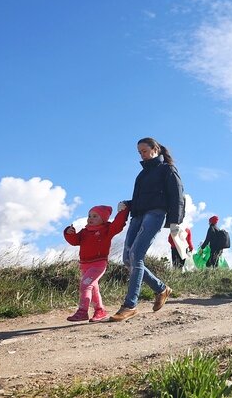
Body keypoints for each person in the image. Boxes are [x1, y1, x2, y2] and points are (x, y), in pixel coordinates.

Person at [112, 137, 184, 322]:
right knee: (128, 259)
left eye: (144, 151)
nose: (142, 155)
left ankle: (130, 305)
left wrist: (175, 221)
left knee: (136, 254)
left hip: (156, 214)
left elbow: (177, 195)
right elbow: (140, 199)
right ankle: (161, 289)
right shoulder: (141, 175)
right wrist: (127, 203)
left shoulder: (167, 169)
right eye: (139, 152)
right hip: (137, 215)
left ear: (155, 149)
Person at [63, 204, 129, 322]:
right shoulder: (84, 232)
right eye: (89, 216)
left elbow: (118, 225)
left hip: (98, 264)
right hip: (84, 264)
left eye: (95, 216)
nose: (90, 218)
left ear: (103, 219)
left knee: (85, 285)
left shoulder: (107, 229)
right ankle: (100, 311)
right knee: (93, 289)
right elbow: (74, 241)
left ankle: (82, 312)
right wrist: (69, 233)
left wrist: (123, 212)